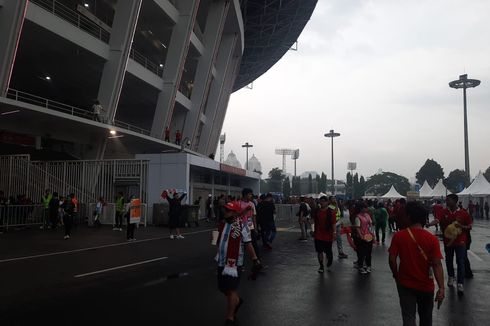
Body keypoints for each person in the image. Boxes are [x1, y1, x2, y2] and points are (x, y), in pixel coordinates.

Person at [389, 201, 445, 326]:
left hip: (405, 284)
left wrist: (396, 275)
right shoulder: (432, 239)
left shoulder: (399, 236)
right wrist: (441, 288)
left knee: (408, 317)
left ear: (408, 217)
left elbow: (392, 259)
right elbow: (437, 265)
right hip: (426, 286)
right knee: (426, 318)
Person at [215, 201, 261, 326]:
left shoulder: (241, 225)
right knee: (223, 288)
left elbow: (248, 244)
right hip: (221, 261)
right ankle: (237, 300)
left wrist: (255, 260)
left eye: (229, 210)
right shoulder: (222, 224)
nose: (226, 213)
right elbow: (217, 240)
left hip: (234, 264)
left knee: (230, 290)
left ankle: (230, 317)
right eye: (226, 210)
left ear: (235, 213)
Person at [428, 194, 472, 295]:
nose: (446, 202)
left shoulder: (463, 213)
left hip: (461, 242)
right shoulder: (444, 212)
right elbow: (437, 220)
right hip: (448, 242)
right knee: (448, 259)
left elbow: (469, 226)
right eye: (446, 200)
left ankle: (460, 282)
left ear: (455, 201)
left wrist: (461, 226)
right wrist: (430, 224)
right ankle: (451, 277)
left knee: (460, 261)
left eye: (448, 200)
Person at [314, 196, 337, 273]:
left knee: (328, 251)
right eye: (321, 201)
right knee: (319, 251)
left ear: (327, 202)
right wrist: (312, 229)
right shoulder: (317, 211)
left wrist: (334, 233)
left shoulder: (331, 212)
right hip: (318, 234)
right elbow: (313, 221)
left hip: (328, 234)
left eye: (324, 201)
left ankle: (330, 259)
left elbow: (333, 223)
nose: (322, 202)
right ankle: (321, 266)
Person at [238, 188, 259, 258]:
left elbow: (254, 217)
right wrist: (245, 210)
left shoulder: (252, 204)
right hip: (242, 226)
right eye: (250, 194)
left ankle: (256, 258)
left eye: (251, 194)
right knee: (242, 243)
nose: (251, 196)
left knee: (253, 242)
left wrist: (255, 228)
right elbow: (237, 215)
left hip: (250, 225)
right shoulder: (239, 203)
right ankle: (240, 260)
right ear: (245, 195)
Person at [355, 202, 374, 274]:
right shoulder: (358, 217)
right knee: (362, 253)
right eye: (365, 207)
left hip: (368, 236)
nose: (366, 209)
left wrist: (372, 233)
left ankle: (368, 265)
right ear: (361, 208)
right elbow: (357, 228)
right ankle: (361, 266)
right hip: (362, 237)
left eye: (366, 207)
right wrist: (361, 236)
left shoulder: (367, 215)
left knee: (369, 252)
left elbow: (371, 224)